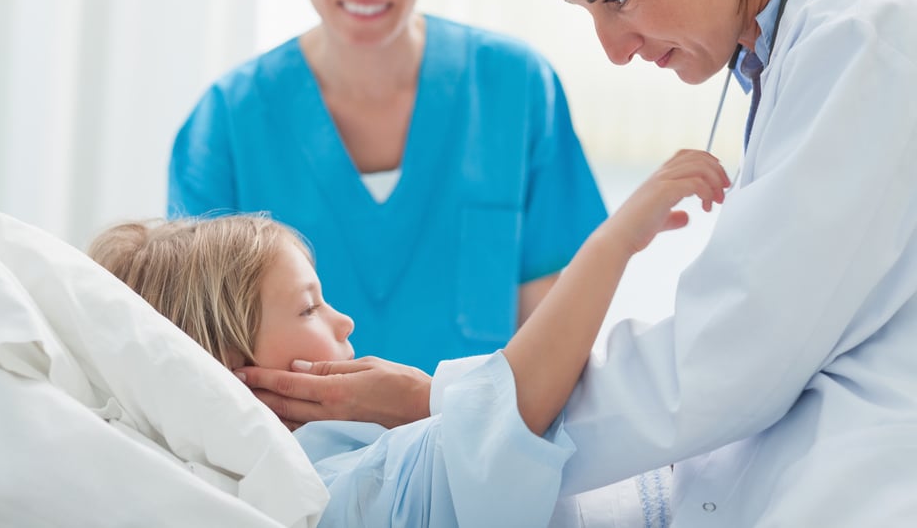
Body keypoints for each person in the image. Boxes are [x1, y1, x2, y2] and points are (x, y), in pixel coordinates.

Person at [239, 0, 917, 524]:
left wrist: (444, 403)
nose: (615, 50)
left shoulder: (864, 36)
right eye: (589, 10)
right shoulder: (803, 51)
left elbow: (733, 356)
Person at [93, 150, 728, 527]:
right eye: (310, 306)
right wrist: (615, 244)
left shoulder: (351, 452)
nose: (343, 322)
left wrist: (423, 400)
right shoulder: (324, 492)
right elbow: (513, 410)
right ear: (233, 367)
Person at [167, 0, 607, 374]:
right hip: (289, 448)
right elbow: (202, 357)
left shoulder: (516, 88)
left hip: (476, 443)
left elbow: (555, 332)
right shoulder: (227, 124)